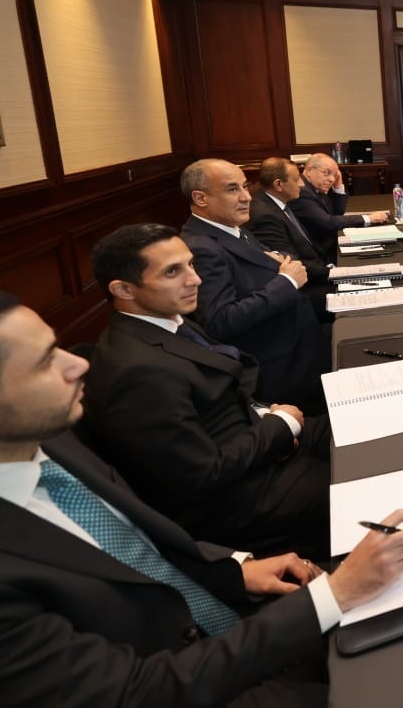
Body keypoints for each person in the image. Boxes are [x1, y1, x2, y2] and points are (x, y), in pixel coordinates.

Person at [0, 291, 403, 708]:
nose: (79, 363)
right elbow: (135, 692)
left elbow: (137, 543)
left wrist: (234, 569)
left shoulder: (47, 439)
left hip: (227, 616)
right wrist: (334, 596)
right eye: (45, 362)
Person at [85, 224, 331, 559]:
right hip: (242, 497)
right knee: (365, 481)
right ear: (124, 289)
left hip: (254, 439)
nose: (195, 279)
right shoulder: (136, 371)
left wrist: (265, 416)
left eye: (190, 265)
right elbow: (202, 476)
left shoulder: (167, 320)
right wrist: (279, 427)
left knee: (360, 426)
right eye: (173, 272)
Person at [178, 159, 327, 410]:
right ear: (201, 198)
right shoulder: (201, 248)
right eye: (232, 189)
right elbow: (220, 321)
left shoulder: (234, 228)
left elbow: (271, 258)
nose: (246, 197)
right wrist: (287, 282)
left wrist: (279, 261)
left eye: (245, 187)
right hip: (280, 367)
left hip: (302, 342)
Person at [247, 157, 330, 320]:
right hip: (304, 289)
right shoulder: (264, 215)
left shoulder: (279, 202)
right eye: (296, 179)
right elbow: (290, 262)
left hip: (316, 270)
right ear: (279, 184)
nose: (302, 184)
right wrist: (335, 273)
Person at [291, 152, 390, 262]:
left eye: (334, 175)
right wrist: (368, 218)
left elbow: (337, 213)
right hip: (320, 254)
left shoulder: (315, 186)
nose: (332, 179)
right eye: (326, 173)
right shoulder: (302, 191)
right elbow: (328, 222)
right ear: (309, 171)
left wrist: (338, 187)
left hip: (329, 244)